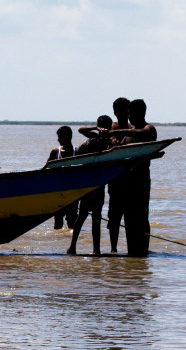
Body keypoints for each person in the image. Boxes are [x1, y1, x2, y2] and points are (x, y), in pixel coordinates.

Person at [116, 98, 158, 256]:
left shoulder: (148, 129)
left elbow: (143, 135)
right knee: (129, 217)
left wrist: (117, 131)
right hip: (126, 179)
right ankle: (132, 252)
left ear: (140, 112)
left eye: (130, 112)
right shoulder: (127, 134)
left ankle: (143, 251)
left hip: (140, 178)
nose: (128, 116)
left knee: (141, 215)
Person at [68, 115, 113, 256]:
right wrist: (96, 128)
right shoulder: (95, 140)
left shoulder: (110, 142)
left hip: (96, 184)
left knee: (91, 218)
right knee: (84, 216)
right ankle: (83, 248)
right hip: (91, 184)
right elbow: (81, 130)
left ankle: (92, 249)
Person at [105, 97, 133, 252]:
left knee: (129, 216)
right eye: (119, 110)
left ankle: (131, 249)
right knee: (114, 216)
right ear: (114, 111)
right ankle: (113, 249)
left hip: (130, 179)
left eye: (126, 110)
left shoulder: (132, 128)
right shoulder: (111, 127)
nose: (123, 113)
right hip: (115, 179)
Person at [47, 125, 76, 230]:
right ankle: (57, 245)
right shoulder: (55, 152)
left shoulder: (76, 152)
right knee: (58, 224)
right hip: (58, 194)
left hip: (73, 194)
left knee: (72, 223)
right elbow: (46, 170)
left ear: (68, 137)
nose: (58, 139)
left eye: (60, 137)